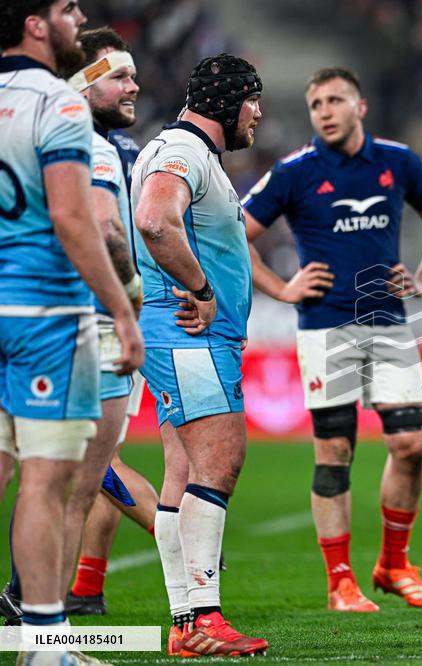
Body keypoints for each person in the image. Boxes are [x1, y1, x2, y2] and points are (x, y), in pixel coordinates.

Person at [241, 66, 422, 612]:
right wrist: (281, 289)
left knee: (412, 444)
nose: (326, 111)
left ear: (360, 106)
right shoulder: (295, 171)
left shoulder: (397, 161)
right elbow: (235, 234)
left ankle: (394, 565)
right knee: (334, 451)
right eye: (317, 104)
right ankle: (340, 583)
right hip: (325, 326)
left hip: (387, 322)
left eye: (336, 100)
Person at [0, 1, 144, 663]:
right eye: (66, 8)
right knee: (48, 482)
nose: (77, 18)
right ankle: (45, 644)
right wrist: (120, 307)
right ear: (35, 23)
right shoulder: (58, 102)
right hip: (44, 315)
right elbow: (74, 217)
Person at [132, 53, 267, 657]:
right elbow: (156, 221)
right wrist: (205, 292)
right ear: (231, 102)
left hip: (176, 332)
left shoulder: (183, 150)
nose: (259, 114)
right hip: (188, 332)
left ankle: (186, 619)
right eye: (253, 101)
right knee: (220, 461)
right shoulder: (181, 152)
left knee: (182, 473)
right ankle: (201, 619)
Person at [62, 27, 162, 618]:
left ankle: (33, 602)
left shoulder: (109, 150)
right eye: (118, 76)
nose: (135, 85)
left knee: (80, 472)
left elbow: (116, 234)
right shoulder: (109, 149)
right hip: (99, 321)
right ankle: (84, 590)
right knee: (88, 468)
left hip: (97, 319)